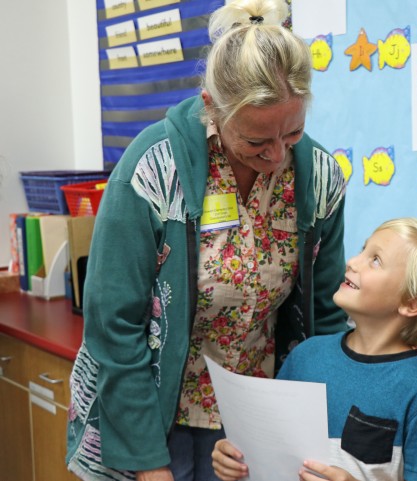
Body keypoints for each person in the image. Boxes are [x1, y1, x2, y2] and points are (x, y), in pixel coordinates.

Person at [66, 0, 349, 479]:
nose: (278, 155)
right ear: (211, 107)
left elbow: (326, 314)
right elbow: (113, 326)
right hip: (149, 408)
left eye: (293, 133)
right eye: (257, 140)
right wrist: (148, 462)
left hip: (251, 419)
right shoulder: (153, 171)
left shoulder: (319, 179)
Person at [211, 217, 417, 481]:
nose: (352, 262)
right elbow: (266, 450)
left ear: (412, 304)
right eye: (362, 250)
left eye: (375, 260)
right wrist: (235, 460)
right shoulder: (305, 355)